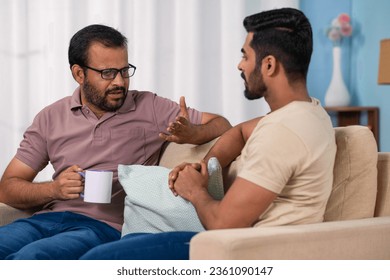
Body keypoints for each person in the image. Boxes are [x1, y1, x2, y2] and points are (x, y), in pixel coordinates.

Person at [79, 7, 337, 260]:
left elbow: (223, 224)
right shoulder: (308, 113)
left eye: (246, 56)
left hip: (250, 252)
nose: (240, 65)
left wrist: (194, 189)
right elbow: (239, 133)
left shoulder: (284, 132)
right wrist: (205, 166)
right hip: (240, 243)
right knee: (129, 243)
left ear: (269, 65)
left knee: (97, 261)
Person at [0, 24, 231, 260]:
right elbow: (7, 188)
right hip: (45, 219)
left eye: (124, 70)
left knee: (31, 258)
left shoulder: (149, 107)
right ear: (79, 74)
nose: (120, 82)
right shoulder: (51, 117)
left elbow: (222, 124)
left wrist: (194, 134)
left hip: (101, 228)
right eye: (108, 73)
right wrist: (53, 189)